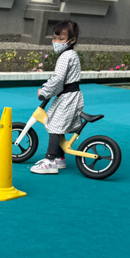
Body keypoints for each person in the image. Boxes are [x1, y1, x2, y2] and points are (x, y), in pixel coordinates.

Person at [31, 20, 84, 175]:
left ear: (72, 40)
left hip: (68, 97)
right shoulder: (71, 54)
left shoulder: (65, 56)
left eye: (61, 39)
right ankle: (60, 158)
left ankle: (50, 160)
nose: (56, 42)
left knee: (54, 125)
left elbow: (58, 79)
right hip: (69, 95)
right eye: (55, 38)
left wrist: (44, 92)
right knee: (58, 124)